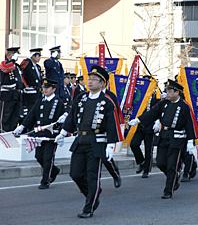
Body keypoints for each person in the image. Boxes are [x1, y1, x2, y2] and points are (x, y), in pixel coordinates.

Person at [55, 65, 122, 218]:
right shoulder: (81, 98)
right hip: (80, 140)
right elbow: (72, 116)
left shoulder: (106, 101)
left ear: (102, 83)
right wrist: (63, 132)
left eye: (94, 80)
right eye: (89, 79)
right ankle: (92, 195)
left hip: (96, 142)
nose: (90, 82)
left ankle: (89, 208)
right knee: (75, 174)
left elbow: (112, 124)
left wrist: (111, 144)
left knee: (92, 176)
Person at [129, 79, 198, 199]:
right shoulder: (164, 104)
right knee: (161, 162)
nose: (167, 93)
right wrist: (139, 120)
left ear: (177, 92)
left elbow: (190, 124)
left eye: (170, 91)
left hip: (177, 139)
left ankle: (168, 190)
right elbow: (152, 113)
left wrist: (190, 142)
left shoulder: (184, 106)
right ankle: (174, 178)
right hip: (164, 136)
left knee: (172, 165)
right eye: (167, 90)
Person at [13, 78, 65, 189]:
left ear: (53, 89)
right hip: (39, 134)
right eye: (44, 87)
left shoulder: (58, 102)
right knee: (38, 156)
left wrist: (63, 125)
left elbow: (66, 116)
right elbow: (32, 115)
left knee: (48, 158)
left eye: (47, 87)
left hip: (51, 135)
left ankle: (45, 181)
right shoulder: (40, 100)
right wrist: (22, 127)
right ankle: (54, 171)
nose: (45, 89)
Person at [130, 77, 159, 178]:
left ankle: (146, 170)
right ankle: (141, 161)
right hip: (139, 125)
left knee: (148, 149)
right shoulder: (139, 94)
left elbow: (159, 111)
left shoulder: (157, 95)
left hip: (150, 125)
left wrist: (157, 121)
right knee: (133, 144)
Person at [0, 47, 24, 131]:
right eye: (15, 54)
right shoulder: (4, 63)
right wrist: (12, 60)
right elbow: (5, 68)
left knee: (15, 116)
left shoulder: (16, 66)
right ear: (9, 55)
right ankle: (3, 133)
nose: (16, 57)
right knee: (5, 116)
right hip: (7, 94)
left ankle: (11, 131)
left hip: (16, 94)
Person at [20, 48, 43, 117]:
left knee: (36, 110)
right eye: (38, 56)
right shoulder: (27, 63)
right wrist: (25, 86)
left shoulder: (38, 67)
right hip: (29, 91)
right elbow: (21, 75)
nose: (39, 58)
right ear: (33, 56)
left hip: (37, 91)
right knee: (30, 110)